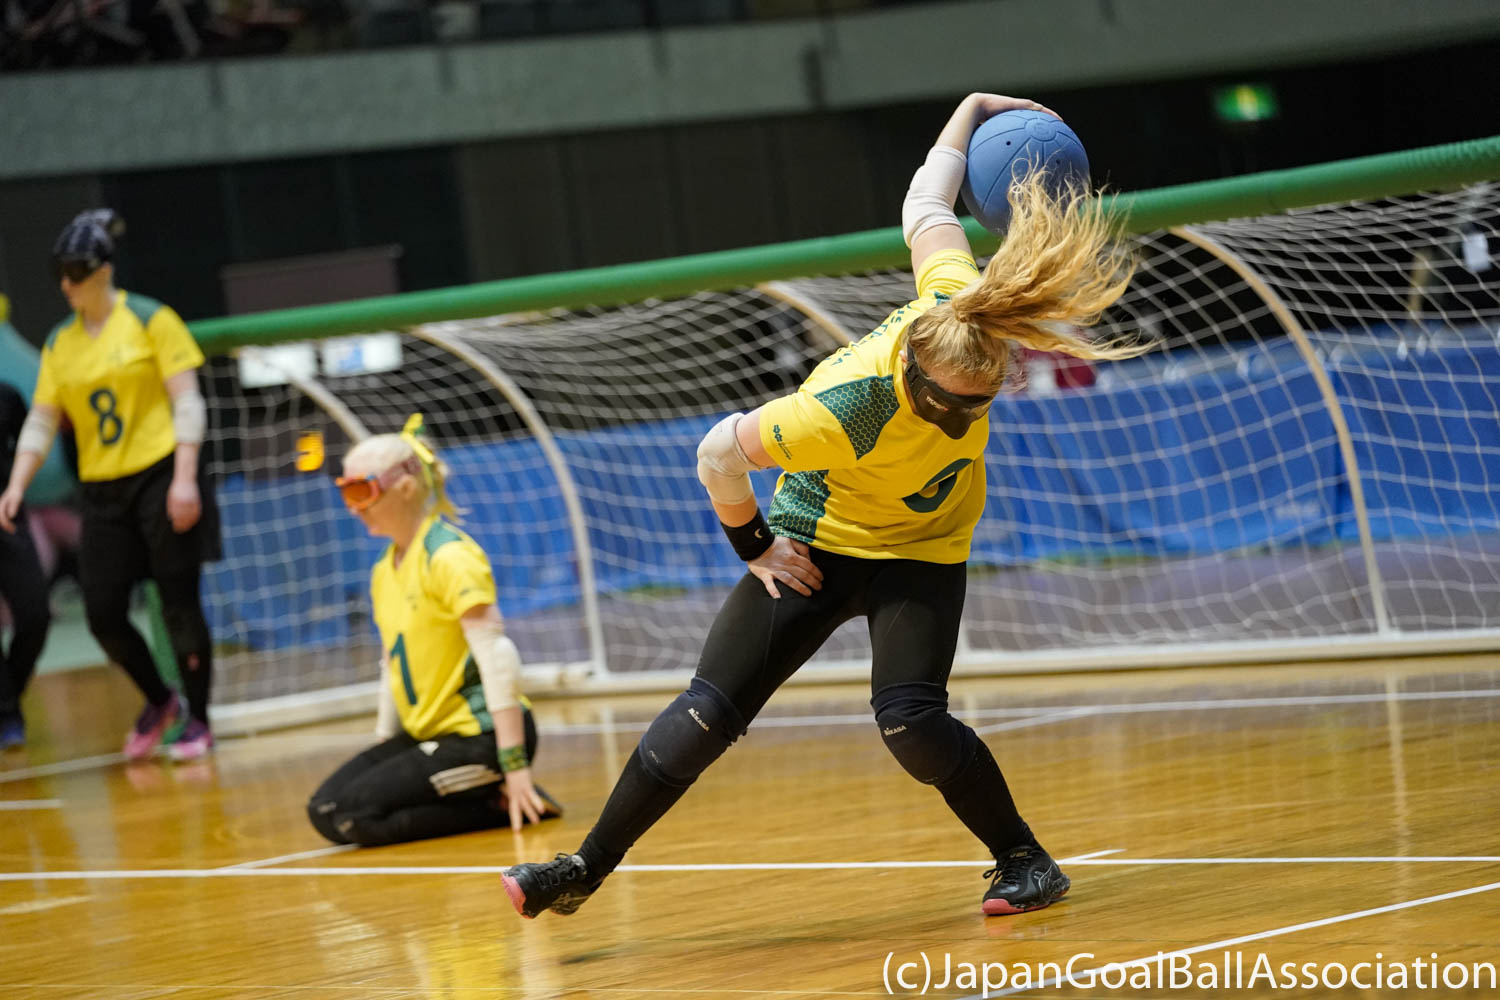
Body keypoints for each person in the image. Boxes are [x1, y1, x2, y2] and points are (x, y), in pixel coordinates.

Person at [503, 93, 1151, 919]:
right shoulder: (845, 410)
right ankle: (582, 869)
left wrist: (972, 109)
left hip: (920, 548)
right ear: (913, 373)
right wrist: (754, 545)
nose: (962, 416)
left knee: (911, 724)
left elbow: (926, 202)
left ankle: (1025, 859)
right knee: (705, 713)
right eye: (949, 404)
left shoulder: (960, 305)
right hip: (814, 540)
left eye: (977, 404)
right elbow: (715, 454)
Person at [0, 209, 220, 761]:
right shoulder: (60, 342)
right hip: (102, 490)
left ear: (102, 270)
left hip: (161, 473)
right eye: (61, 273)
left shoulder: (150, 319)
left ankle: (199, 719)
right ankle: (158, 697)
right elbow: (43, 419)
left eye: (75, 271)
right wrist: (18, 483)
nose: (67, 284)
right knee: (102, 612)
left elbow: (187, 401)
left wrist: (186, 477)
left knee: (178, 603)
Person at [306, 416, 561, 846]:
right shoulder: (383, 571)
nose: (353, 507)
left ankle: (497, 803)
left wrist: (514, 765)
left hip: (477, 739)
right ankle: (482, 797)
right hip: (427, 735)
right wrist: (385, 746)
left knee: (355, 815)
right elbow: (391, 661)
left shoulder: (449, 556)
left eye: (360, 491)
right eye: (344, 492)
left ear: (404, 487)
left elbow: (497, 657)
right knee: (325, 810)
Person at [0, 380, 52, 749]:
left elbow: (29, 449)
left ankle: (8, 698)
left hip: (7, 518)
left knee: (35, 615)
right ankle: (7, 714)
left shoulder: (7, 396)